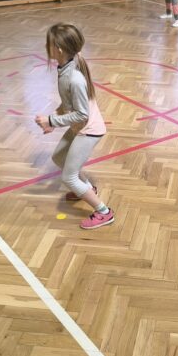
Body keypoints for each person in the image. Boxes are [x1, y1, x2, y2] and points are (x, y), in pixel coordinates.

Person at [34, 23, 114, 230]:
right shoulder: (66, 67)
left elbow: (82, 114)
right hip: (80, 126)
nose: (46, 47)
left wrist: (51, 121)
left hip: (89, 130)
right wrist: (53, 120)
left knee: (69, 177)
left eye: (49, 44)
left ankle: (104, 212)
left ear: (59, 49)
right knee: (58, 158)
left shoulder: (74, 78)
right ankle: (87, 188)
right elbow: (68, 104)